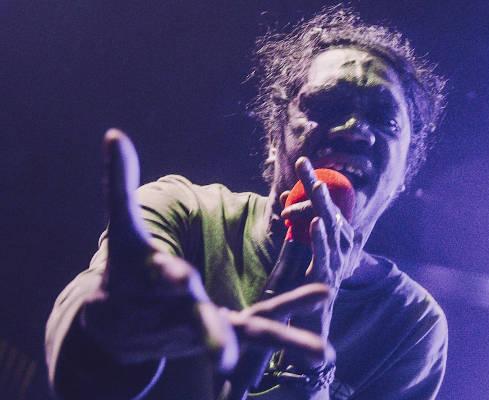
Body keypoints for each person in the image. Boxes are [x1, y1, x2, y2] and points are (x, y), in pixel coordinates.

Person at [45, 5, 448, 400]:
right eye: (328, 106)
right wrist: (105, 338)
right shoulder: (185, 213)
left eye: (385, 119)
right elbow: (79, 370)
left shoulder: (410, 325)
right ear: (274, 138)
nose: (356, 130)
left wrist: (310, 370)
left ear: (406, 169)